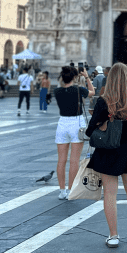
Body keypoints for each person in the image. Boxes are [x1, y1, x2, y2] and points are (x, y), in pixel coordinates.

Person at [85, 63, 127, 248]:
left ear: (110, 78)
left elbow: (90, 131)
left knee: (110, 194)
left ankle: (113, 236)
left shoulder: (104, 101)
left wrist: (102, 121)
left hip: (108, 151)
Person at [53, 65, 94, 200]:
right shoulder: (79, 89)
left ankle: (62, 191)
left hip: (62, 124)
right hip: (76, 123)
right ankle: (70, 189)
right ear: (75, 77)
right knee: (74, 160)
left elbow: (64, 84)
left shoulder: (57, 91)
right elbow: (92, 92)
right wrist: (86, 76)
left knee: (61, 160)